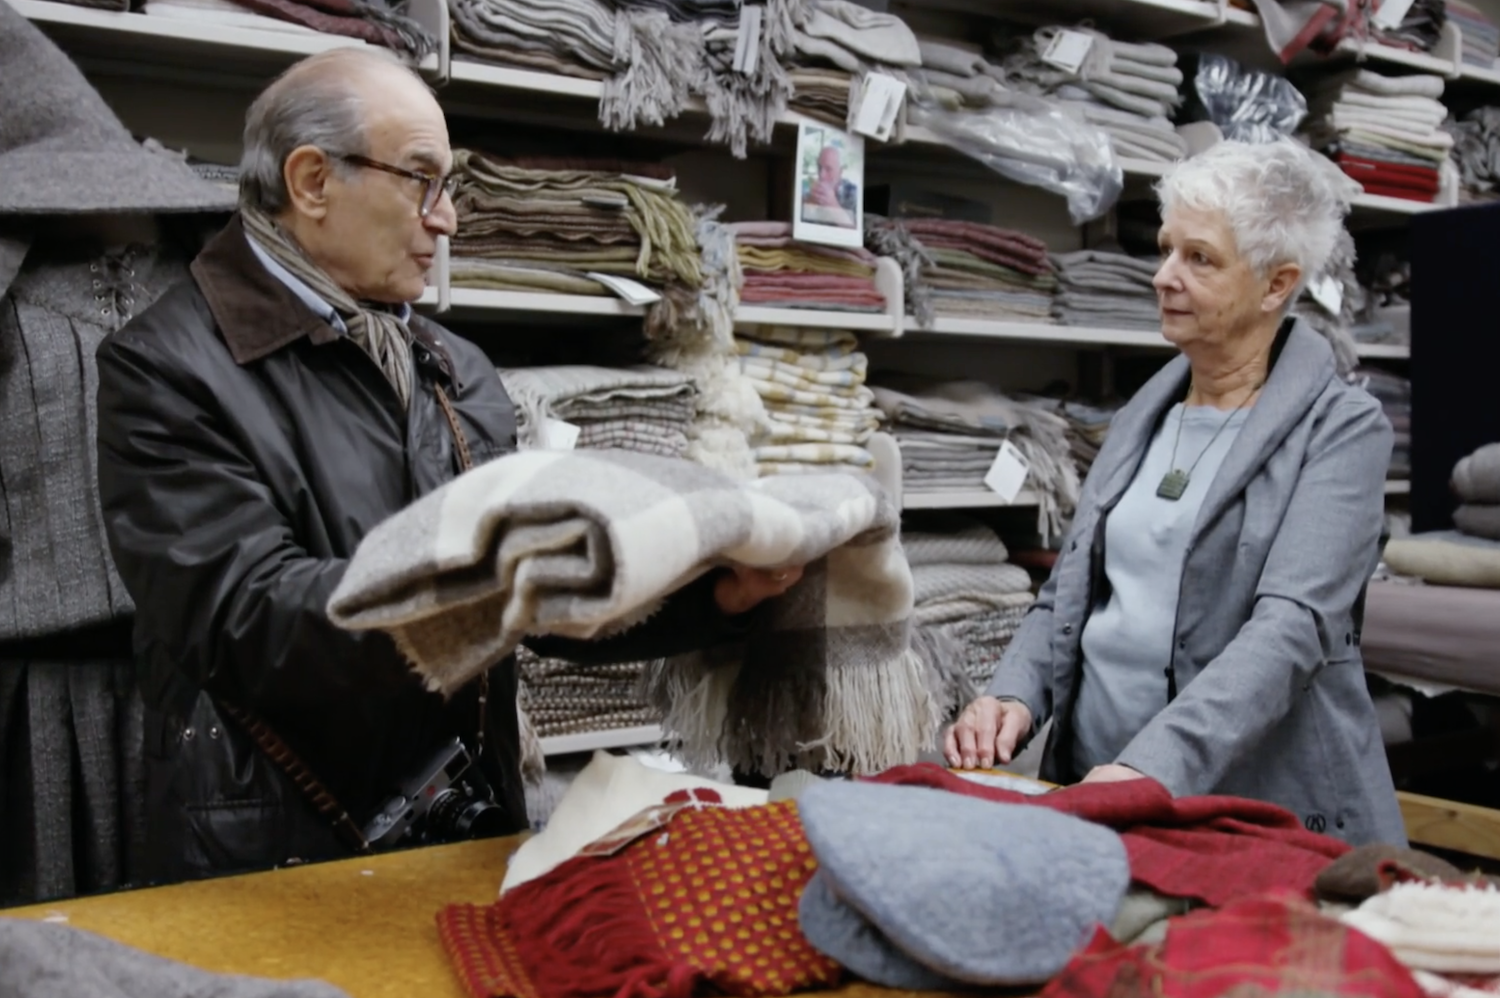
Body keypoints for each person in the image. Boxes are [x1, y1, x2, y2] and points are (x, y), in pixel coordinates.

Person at [94, 48, 801, 884]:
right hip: (281, 850)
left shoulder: (449, 365)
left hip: (467, 829)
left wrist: (718, 597)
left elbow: (534, 614)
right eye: (422, 180)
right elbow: (244, 622)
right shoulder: (166, 366)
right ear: (313, 182)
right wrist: (495, 577)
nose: (450, 219)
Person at [945, 138, 1406, 847]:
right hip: (1100, 788)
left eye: (1200, 258)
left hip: (1249, 808)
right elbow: (1070, 593)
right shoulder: (1146, 411)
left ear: (1277, 284)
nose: (1163, 276)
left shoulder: (1341, 430)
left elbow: (1290, 632)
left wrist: (1152, 766)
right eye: (1166, 249)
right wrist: (1014, 692)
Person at [802, 142, 857, 228]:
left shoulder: (853, 193)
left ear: (840, 171)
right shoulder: (811, 192)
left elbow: (856, 232)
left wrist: (832, 205)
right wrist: (809, 205)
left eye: (828, 169)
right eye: (819, 167)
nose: (821, 175)